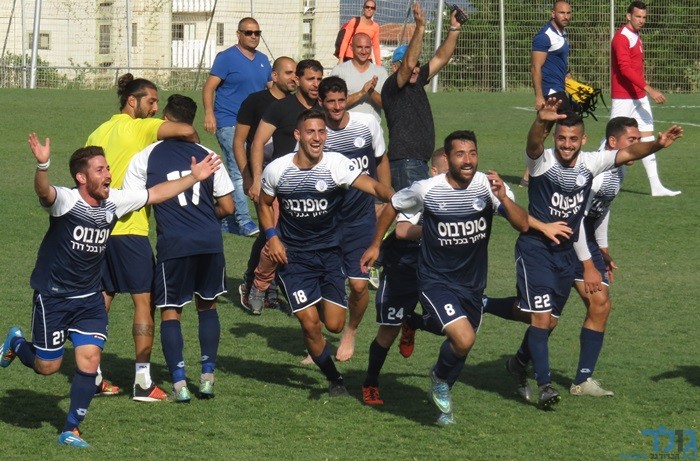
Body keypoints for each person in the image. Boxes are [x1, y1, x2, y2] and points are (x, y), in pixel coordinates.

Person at [0, 133, 220, 447]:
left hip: (90, 298)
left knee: (89, 361)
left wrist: (193, 177)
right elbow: (44, 192)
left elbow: (155, 193)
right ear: (82, 177)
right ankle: (17, 342)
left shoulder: (113, 201)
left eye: (107, 168)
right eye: (100, 170)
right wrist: (43, 165)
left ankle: (71, 429)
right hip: (53, 297)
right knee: (48, 367)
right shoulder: (67, 201)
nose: (108, 174)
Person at [507, 98, 682, 411]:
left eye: (573, 139)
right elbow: (533, 144)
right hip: (543, 249)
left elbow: (628, 156)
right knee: (547, 317)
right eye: (562, 138)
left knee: (554, 318)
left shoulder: (595, 163)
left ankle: (551, 371)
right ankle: (544, 381)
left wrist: (657, 144)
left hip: (567, 250)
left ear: (583, 139)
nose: (567, 144)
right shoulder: (543, 161)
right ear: (554, 137)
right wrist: (540, 121)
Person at [360, 130, 529, 425]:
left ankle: (442, 399)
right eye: (460, 154)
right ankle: (435, 378)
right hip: (435, 280)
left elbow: (522, 224)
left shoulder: (487, 186)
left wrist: (503, 197)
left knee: (463, 342)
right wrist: (376, 244)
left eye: (472, 153)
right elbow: (393, 205)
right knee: (463, 337)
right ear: (448, 159)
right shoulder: (428, 189)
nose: (468, 160)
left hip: (472, 283)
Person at [485, 116, 642, 401]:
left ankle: (580, 379)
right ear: (613, 142)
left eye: (639, 140)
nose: (637, 144)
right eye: (632, 139)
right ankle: (519, 355)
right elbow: (577, 218)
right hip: (570, 241)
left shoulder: (616, 171)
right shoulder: (593, 170)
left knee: (595, 305)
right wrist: (588, 263)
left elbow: (601, 210)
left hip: (580, 241)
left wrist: (603, 249)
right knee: (545, 317)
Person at [257, 110, 394, 397]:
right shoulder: (277, 170)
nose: (317, 137)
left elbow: (369, 184)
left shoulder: (336, 165)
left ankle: (313, 306)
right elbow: (264, 203)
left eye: (321, 132)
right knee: (310, 324)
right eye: (310, 132)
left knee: (334, 324)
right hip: (294, 257)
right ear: (298, 135)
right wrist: (272, 237)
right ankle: (335, 378)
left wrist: (393, 196)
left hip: (330, 253)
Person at [86, 73, 198, 401]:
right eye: (151, 101)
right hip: (130, 229)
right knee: (144, 302)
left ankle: (92, 374)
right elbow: (185, 130)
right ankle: (143, 381)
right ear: (132, 101)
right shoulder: (138, 127)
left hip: (98, 228)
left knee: (101, 299)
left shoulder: (98, 131)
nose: (155, 109)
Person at [122, 95, 234, 402]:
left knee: (171, 312)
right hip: (210, 242)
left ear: (165, 120)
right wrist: (205, 218)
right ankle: (207, 377)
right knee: (207, 306)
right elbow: (228, 206)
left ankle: (180, 383)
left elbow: (134, 200)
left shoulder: (146, 156)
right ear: (191, 121)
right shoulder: (208, 154)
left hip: (174, 244)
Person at [361, 147, 448, 406]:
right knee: (388, 332)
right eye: (446, 172)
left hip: (434, 270)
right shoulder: (420, 192)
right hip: (403, 269)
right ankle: (370, 383)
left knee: (449, 324)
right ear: (433, 171)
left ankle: (412, 322)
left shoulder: (460, 193)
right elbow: (401, 231)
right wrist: (436, 230)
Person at [318, 76, 390, 362]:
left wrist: (383, 201)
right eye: (331, 102)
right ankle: (318, 339)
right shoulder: (316, 131)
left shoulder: (367, 123)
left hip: (361, 219)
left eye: (341, 100)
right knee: (323, 283)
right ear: (321, 103)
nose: (337, 107)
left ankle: (350, 331)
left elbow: (381, 159)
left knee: (359, 285)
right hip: (326, 221)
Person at [245, 59, 324, 314]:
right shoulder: (280, 108)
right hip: (282, 186)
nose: (316, 84)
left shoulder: (322, 111)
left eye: (319, 79)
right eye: (310, 79)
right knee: (275, 238)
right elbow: (258, 142)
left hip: (316, 188)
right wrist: (257, 179)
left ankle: (297, 291)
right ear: (298, 80)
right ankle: (258, 285)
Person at [233, 56, 297, 313]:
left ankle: (269, 288)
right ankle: (252, 284)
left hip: (290, 181)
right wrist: (250, 178)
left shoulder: (297, 104)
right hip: (263, 180)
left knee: (281, 233)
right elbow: (239, 142)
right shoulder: (256, 101)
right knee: (268, 232)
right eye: (288, 73)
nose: (293, 78)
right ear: (274, 75)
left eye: (296, 73)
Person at [382, 1, 466, 191]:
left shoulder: (417, 80)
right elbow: (408, 64)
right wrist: (420, 27)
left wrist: (454, 28)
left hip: (415, 163)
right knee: (415, 210)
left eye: (418, 65)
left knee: (414, 209)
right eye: (409, 65)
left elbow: (441, 58)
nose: (415, 69)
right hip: (406, 163)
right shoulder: (392, 85)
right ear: (394, 67)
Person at [203, 16, 272, 236]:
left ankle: (230, 219)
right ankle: (244, 221)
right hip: (229, 121)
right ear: (238, 34)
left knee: (259, 168)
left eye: (257, 33)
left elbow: (271, 88)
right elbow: (209, 87)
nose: (253, 36)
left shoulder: (263, 60)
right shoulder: (226, 58)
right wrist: (209, 114)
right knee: (239, 169)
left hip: (257, 125)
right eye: (248, 32)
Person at [610, 1, 680, 197]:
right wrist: (649, 88)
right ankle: (594, 176)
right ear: (628, 16)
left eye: (644, 17)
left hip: (638, 97)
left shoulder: (636, 35)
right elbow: (625, 69)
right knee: (612, 139)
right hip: (624, 97)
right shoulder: (621, 38)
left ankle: (656, 186)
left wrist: (643, 89)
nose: (641, 20)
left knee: (648, 137)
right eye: (638, 16)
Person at [521, 0, 573, 188]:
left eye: (568, 13)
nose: (565, 16)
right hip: (551, 91)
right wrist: (538, 96)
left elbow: (557, 60)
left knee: (542, 132)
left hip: (559, 87)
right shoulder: (544, 36)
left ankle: (527, 177)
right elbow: (536, 67)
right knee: (571, 127)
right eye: (561, 13)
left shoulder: (562, 33)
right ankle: (565, 172)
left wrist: (567, 74)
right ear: (553, 14)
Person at [331, 33, 388, 122]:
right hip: (347, 128)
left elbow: (387, 105)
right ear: (351, 47)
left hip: (372, 129)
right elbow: (334, 104)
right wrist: (361, 93)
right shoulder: (339, 71)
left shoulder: (381, 72)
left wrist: (371, 91)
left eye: (367, 47)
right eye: (359, 47)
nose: (363, 51)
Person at [337, 1, 382, 66]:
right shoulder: (354, 21)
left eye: (372, 8)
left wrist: (379, 65)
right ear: (363, 8)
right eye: (367, 7)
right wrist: (341, 59)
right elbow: (345, 40)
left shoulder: (376, 26)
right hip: (351, 57)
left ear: (374, 10)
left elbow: (376, 47)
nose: (369, 9)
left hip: (367, 59)